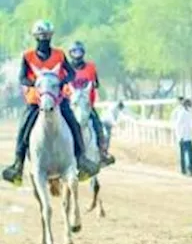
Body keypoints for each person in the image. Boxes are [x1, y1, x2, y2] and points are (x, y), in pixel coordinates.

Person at [2, 20, 99, 184]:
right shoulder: (28, 56)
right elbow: (22, 77)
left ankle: (82, 159)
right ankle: (18, 164)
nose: (44, 39)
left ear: (51, 36)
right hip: (36, 100)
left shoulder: (60, 54)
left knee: (74, 123)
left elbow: (71, 73)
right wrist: (37, 84)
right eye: (40, 36)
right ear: (35, 37)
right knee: (24, 128)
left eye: (46, 36)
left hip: (59, 98)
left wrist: (62, 82)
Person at [65, 40, 115, 165]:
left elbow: (96, 84)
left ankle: (103, 152)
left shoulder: (91, 67)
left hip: (87, 106)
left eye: (79, 51)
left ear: (83, 53)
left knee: (98, 125)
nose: (77, 54)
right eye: (74, 51)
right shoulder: (65, 69)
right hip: (71, 106)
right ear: (70, 53)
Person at [172, 97, 192, 176]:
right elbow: (178, 125)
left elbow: (191, 124)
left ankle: (185, 170)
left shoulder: (188, 112)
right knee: (188, 154)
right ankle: (188, 170)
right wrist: (180, 136)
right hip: (183, 137)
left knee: (186, 154)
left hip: (187, 136)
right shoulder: (182, 113)